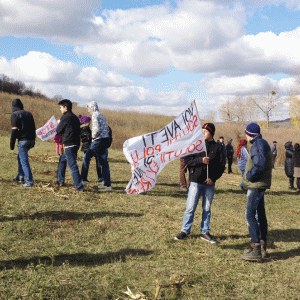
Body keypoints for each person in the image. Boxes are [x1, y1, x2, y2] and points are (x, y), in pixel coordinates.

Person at [174, 123, 224, 243]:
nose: (202, 133)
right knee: (190, 207)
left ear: (211, 133)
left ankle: (205, 232)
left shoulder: (218, 147)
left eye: (205, 131)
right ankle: (185, 231)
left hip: (209, 183)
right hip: (196, 181)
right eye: (201, 130)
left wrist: (213, 178)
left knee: (206, 208)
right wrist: (200, 160)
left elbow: (221, 166)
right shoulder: (195, 145)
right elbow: (188, 161)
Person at [241, 123, 272, 262]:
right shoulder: (261, 142)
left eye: (247, 133)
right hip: (258, 185)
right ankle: (262, 245)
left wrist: (248, 177)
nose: (246, 136)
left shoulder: (258, 144)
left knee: (250, 215)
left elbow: (259, 165)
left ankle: (256, 249)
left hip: (256, 185)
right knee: (260, 214)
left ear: (251, 134)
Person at [81, 101, 112, 190]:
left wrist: (93, 137)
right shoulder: (101, 115)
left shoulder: (95, 115)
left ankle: (83, 179)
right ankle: (107, 184)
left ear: (92, 108)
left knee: (86, 157)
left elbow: (96, 129)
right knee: (104, 162)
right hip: (105, 140)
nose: (88, 111)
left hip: (98, 140)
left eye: (88, 108)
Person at [56, 99, 84, 192]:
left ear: (65, 107)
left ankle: (79, 187)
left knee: (72, 165)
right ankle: (60, 180)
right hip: (76, 143)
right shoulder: (75, 117)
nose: (60, 109)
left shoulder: (65, 117)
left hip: (69, 144)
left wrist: (59, 123)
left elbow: (58, 130)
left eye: (61, 107)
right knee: (62, 160)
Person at [10, 98, 36, 188]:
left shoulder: (15, 115)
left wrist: (12, 144)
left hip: (23, 140)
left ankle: (29, 181)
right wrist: (33, 141)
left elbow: (14, 131)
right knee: (20, 157)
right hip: (30, 139)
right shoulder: (29, 114)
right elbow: (33, 128)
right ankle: (20, 177)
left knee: (24, 160)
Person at [78, 114, 103, 183]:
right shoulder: (85, 129)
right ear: (86, 122)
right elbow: (89, 137)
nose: (90, 123)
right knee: (93, 161)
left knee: (87, 161)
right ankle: (86, 177)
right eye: (89, 121)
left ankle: (84, 177)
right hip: (89, 147)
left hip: (87, 146)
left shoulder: (83, 128)